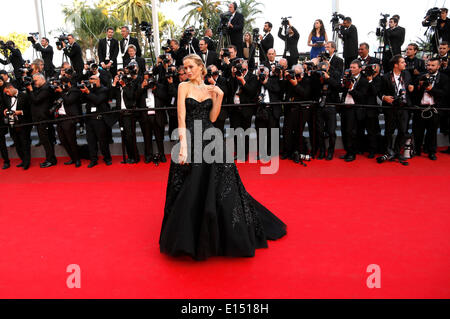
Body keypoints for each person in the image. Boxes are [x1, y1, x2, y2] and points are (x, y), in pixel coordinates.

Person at [159, 54, 286, 261]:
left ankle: (220, 234)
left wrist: (218, 96)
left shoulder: (211, 89)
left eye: (191, 67)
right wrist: (183, 146)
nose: (187, 71)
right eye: (185, 67)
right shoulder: (183, 87)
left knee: (221, 187)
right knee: (190, 187)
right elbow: (181, 117)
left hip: (211, 138)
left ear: (201, 67)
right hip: (190, 138)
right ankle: (189, 236)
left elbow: (213, 118)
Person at [414, 57, 449, 160]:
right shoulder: (420, 76)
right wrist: (417, 87)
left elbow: (445, 94)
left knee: (432, 132)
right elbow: (414, 93)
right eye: (428, 65)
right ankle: (417, 150)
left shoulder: (444, 78)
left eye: (433, 65)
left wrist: (432, 89)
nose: (430, 67)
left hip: (434, 108)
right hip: (420, 108)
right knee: (418, 131)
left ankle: (431, 152)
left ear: (438, 66)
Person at [3, 83, 32, 170]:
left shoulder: (24, 95)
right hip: (12, 123)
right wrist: (5, 111)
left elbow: (30, 110)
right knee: (17, 143)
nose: (7, 94)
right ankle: (23, 160)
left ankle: (27, 162)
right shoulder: (6, 97)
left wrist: (21, 112)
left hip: (23, 123)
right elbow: (6, 106)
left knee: (24, 143)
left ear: (11, 88)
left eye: (7, 92)